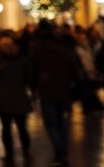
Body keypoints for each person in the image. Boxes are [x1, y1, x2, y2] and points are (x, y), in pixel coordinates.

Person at [29, 20, 80, 167]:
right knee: (62, 123)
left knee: (51, 124)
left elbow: (32, 68)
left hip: (46, 90)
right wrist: (73, 81)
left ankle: (60, 153)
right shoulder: (63, 45)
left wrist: (33, 87)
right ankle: (62, 152)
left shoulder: (36, 46)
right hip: (64, 89)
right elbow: (73, 65)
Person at [0, 31, 32, 165]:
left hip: (2, 97)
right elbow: (28, 76)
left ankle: (9, 154)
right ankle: (26, 150)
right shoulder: (20, 56)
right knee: (22, 127)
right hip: (20, 96)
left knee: (6, 128)